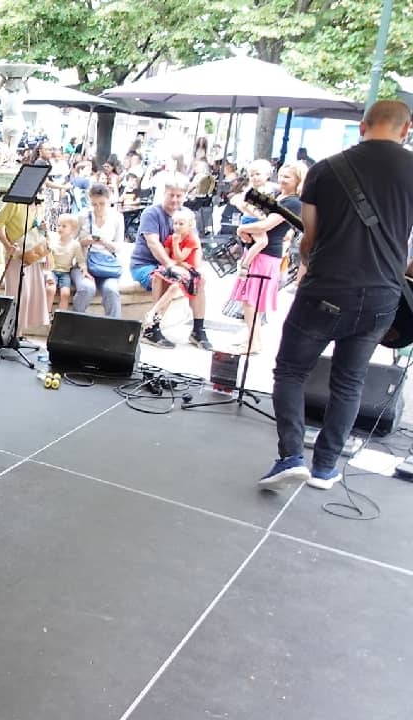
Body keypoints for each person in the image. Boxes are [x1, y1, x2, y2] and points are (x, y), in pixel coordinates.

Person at [259, 100, 413, 492]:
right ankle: (326, 468)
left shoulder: (326, 169)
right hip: (382, 299)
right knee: (349, 381)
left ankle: (291, 456)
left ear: (362, 127)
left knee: (291, 371)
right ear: (405, 130)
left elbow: (308, 243)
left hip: (325, 292)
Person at [222, 161, 307, 354]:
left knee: (252, 301)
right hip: (258, 250)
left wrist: (243, 228)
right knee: (249, 300)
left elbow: (265, 225)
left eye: (288, 177)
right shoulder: (279, 196)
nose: (282, 179)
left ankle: (253, 342)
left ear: (298, 180)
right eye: (282, 175)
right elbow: (252, 208)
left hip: (266, 254)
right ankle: (252, 339)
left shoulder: (293, 202)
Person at [130, 180, 212, 349]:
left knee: (199, 279)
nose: (175, 200)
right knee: (163, 277)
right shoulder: (151, 213)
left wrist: (197, 268)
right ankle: (152, 328)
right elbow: (153, 244)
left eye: (179, 196)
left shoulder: (186, 215)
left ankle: (198, 329)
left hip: (180, 263)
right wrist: (170, 265)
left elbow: (194, 245)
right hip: (146, 264)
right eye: (171, 195)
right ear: (164, 194)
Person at [0, 195, 51, 335]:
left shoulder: (38, 204)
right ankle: (9, 334)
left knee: (29, 295)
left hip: (32, 255)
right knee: (18, 296)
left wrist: (44, 232)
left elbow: (39, 227)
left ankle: (18, 334)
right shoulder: (14, 202)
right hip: (16, 256)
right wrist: (8, 246)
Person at [141, 207, 203, 330]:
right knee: (157, 276)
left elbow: (180, 257)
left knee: (175, 286)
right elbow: (166, 255)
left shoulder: (191, 239)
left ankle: (153, 312)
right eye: (175, 223)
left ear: (190, 225)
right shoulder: (171, 238)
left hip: (188, 271)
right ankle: (155, 318)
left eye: (181, 224)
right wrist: (172, 262)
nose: (177, 227)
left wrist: (175, 244)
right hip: (176, 267)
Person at [73, 183, 124, 317]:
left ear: (108, 201)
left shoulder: (117, 217)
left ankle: (113, 328)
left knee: (111, 290)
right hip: (85, 263)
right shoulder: (83, 216)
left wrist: (105, 242)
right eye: (94, 204)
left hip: (107, 264)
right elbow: (72, 242)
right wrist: (86, 241)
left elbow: (119, 247)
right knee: (87, 288)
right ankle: (74, 325)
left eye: (102, 204)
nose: (98, 208)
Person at [49, 214, 85, 312]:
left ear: (72, 230)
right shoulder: (53, 241)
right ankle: (46, 315)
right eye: (59, 225)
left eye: (64, 226)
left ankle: (61, 317)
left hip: (65, 273)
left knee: (65, 293)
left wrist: (84, 269)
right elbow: (47, 256)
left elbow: (81, 260)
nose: (60, 228)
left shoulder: (75, 245)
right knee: (50, 289)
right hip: (52, 271)